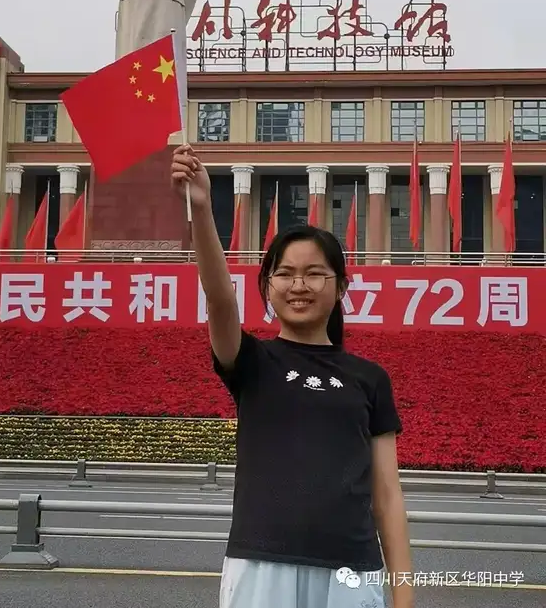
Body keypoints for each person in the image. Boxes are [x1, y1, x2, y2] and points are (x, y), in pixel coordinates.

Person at [171, 145, 414, 608]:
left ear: (341, 287)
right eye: (284, 274)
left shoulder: (369, 379)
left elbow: (387, 495)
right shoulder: (253, 362)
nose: (298, 285)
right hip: (262, 566)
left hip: (350, 570)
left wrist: (404, 597)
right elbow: (219, 299)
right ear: (267, 287)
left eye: (314, 274)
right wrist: (201, 209)